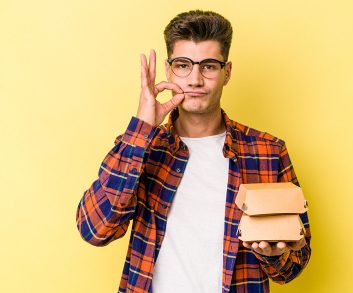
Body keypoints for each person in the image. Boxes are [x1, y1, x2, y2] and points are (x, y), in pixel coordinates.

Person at [76, 9, 311, 293]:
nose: (195, 79)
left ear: (227, 72)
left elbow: (294, 263)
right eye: (183, 65)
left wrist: (273, 254)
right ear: (168, 69)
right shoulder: (142, 148)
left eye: (209, 66)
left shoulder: (267, 152)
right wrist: (141, 127)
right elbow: (95, 229)